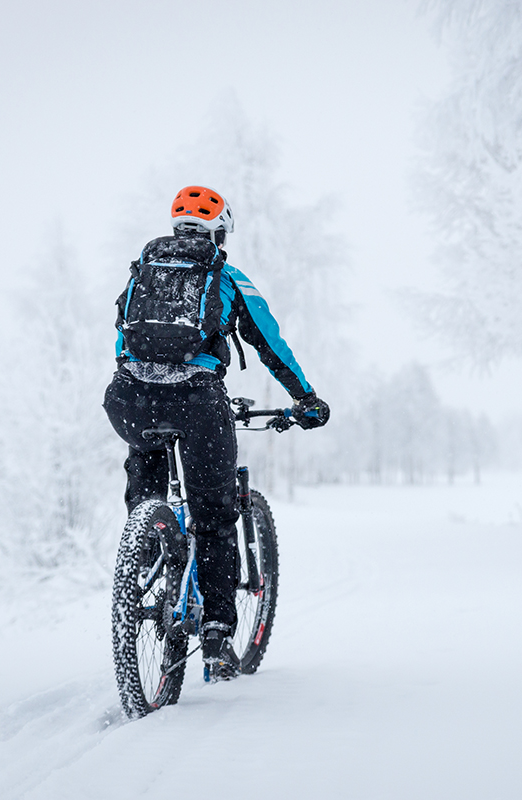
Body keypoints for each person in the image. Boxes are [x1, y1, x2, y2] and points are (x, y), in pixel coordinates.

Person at [103, 185, 329, 682]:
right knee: (213, 515)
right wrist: (306, 398)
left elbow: (122, 342)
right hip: (197, 402)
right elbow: (270, 344)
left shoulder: (143, 270)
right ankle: (217, 636)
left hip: (128, 397)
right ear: (219, 233)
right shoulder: (225, 276)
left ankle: (147, 554)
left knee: (146, 483)